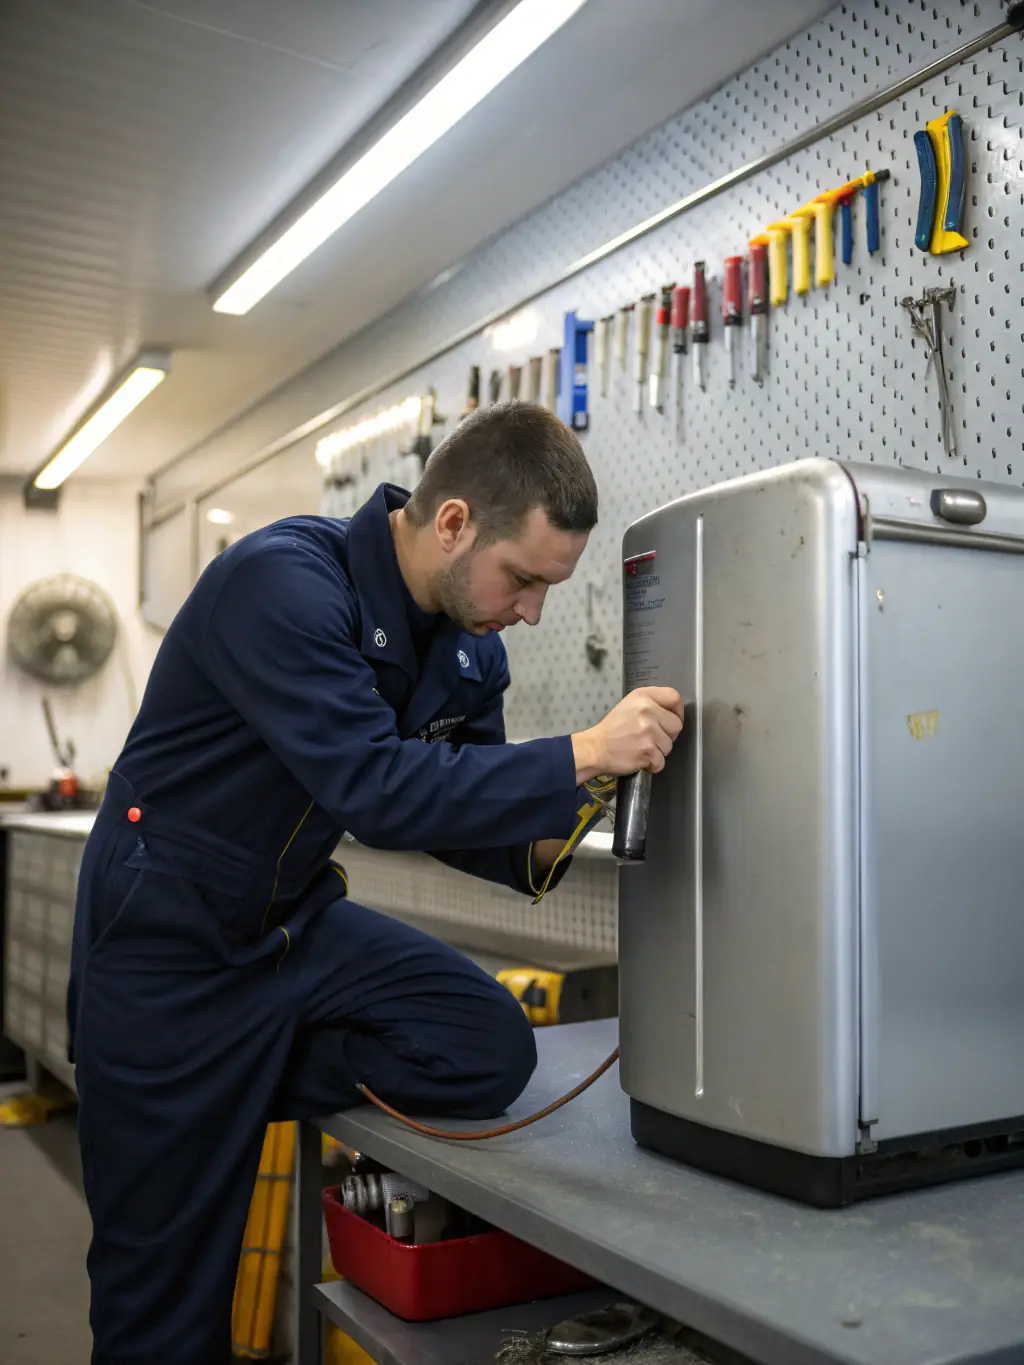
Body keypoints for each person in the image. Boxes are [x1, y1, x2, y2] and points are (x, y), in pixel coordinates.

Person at [69, 400, 683, 1364]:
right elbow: (379, 793)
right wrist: (578, 748)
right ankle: (204, 1087)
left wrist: (605, 786)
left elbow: (461, 809)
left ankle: (236, 1074)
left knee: (483, 1050)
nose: (531, 610)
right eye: (523, 578)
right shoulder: (281, 584)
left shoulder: (470, 641)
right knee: (166, 1311)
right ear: (452, 523)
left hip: (291, 929)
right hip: (168, 943)